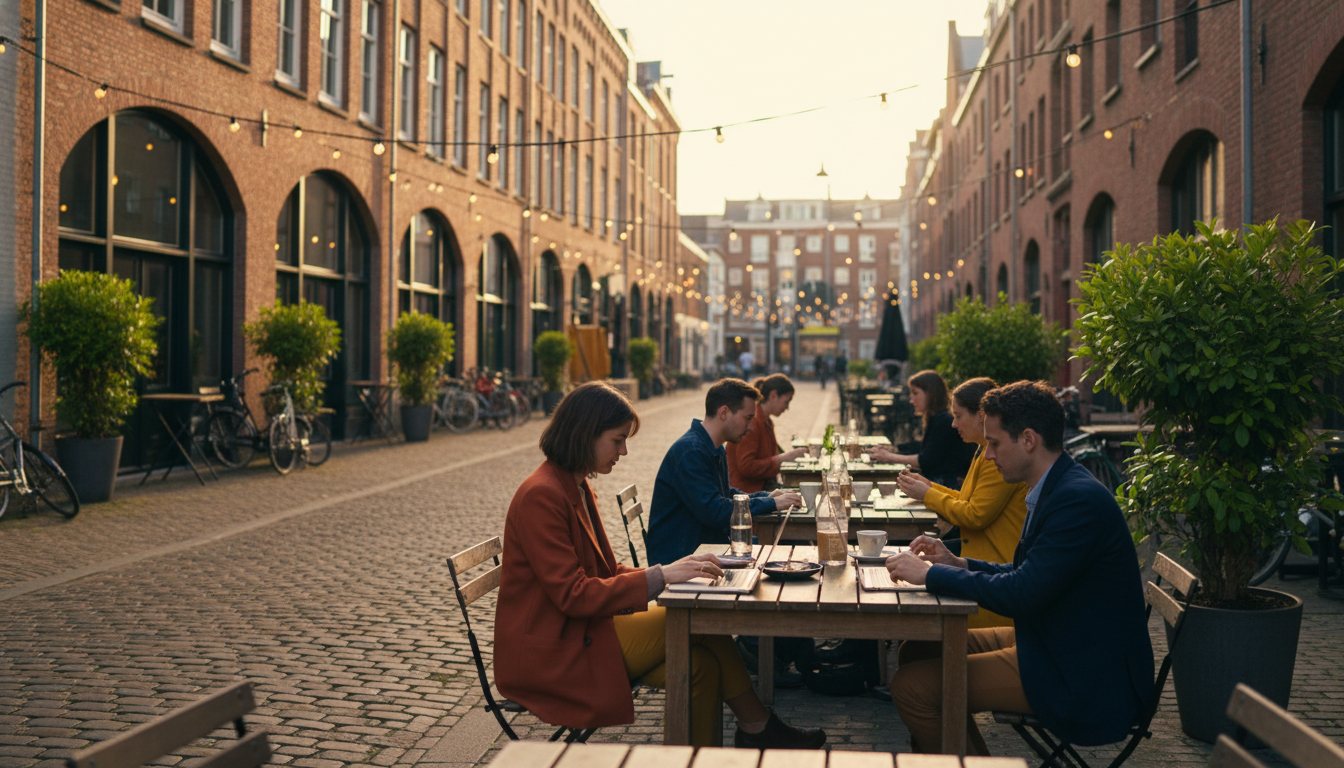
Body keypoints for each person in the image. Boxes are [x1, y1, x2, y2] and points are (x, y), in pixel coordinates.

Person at [494, 381, 825, 749]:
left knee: (700, 665)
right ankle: (758, 726)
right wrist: (661, 575)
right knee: (703, 623)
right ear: (585, 434)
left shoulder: (574, 486)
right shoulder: (543, 495)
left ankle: (718, 748)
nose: (623, 451)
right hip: (554, 650)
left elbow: (604, 570)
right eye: (617, 440)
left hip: (583, 629)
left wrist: (673, 569)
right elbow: (573, 595)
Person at [884, 380, 1154, 755]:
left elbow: (1022, 593)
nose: (989, 455)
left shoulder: (1076, 501)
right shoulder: (1054, 487)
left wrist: (930, 574)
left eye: (994, 443)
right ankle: (960, 756)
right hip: (1052, 637)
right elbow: (1025, 573)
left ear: (1028, 440)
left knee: (912, 687)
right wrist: (957, 561)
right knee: (919, 648)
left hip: (1080, 669)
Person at [894, 377, 1027, 629]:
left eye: (958, 415)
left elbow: (974, 515)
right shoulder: (983, 449)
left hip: (994, 570)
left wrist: (927, 494)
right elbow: (967, 500)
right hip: (981, 561)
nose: (954, 423)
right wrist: (931, 487)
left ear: (981, 416)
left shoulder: (995, 455)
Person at [646, 378, 803, 567]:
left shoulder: (713, 446)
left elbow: (725, 494)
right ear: (724, 413)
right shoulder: (691, 451)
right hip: (681, 558)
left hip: (705, 547)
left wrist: (768, 497)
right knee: (778, 558)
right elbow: (715, 511)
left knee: (788, 554)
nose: (751, 426)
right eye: (747, 418)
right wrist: (770, 502)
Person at [870, 370, 975, 487]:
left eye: (915, 393)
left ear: (931, 394)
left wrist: (889, 457)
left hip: (948, 485)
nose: (911, 399)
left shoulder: (945, 420)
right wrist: (893, 449)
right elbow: (925, 447)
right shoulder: (937, 416)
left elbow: (925, 460)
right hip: (940, 482)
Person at [727, 375, 810, 493]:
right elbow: (746, 467)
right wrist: (785, 458)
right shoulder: (752, 422)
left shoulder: (766, 421)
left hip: (763, 487)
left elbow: (771, 455)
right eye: (786, 402)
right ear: (773, 395)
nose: (787, 407)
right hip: (747, 492)